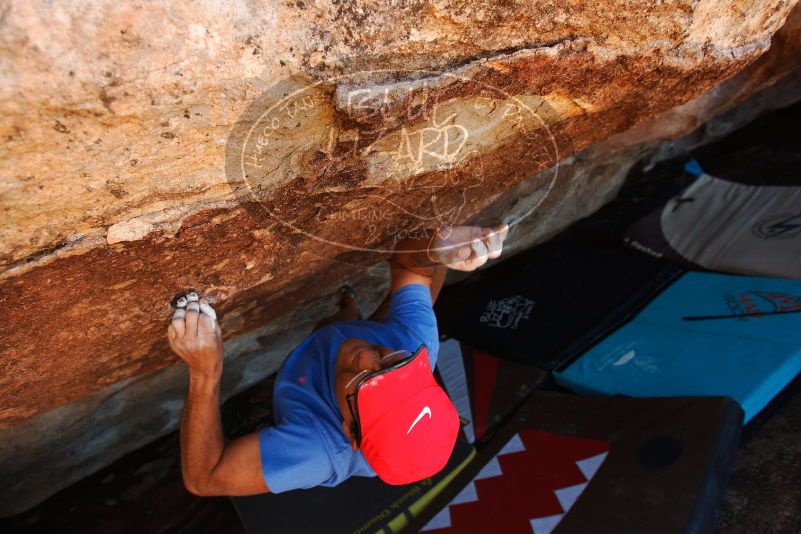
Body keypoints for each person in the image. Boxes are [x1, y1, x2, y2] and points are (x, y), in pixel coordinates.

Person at [167, 224, 509, 496]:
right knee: (363, 326)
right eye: (394, 364)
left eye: (367, 382)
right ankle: (348, 313)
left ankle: (346, 314)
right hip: (370, 337)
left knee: (338, 330)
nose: (367, 355)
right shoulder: (415, 345)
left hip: (310, 403)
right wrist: (438, 247)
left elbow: (205, 478)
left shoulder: (317, 452)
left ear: (349, 431)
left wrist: (205, 371)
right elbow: (411, 261)